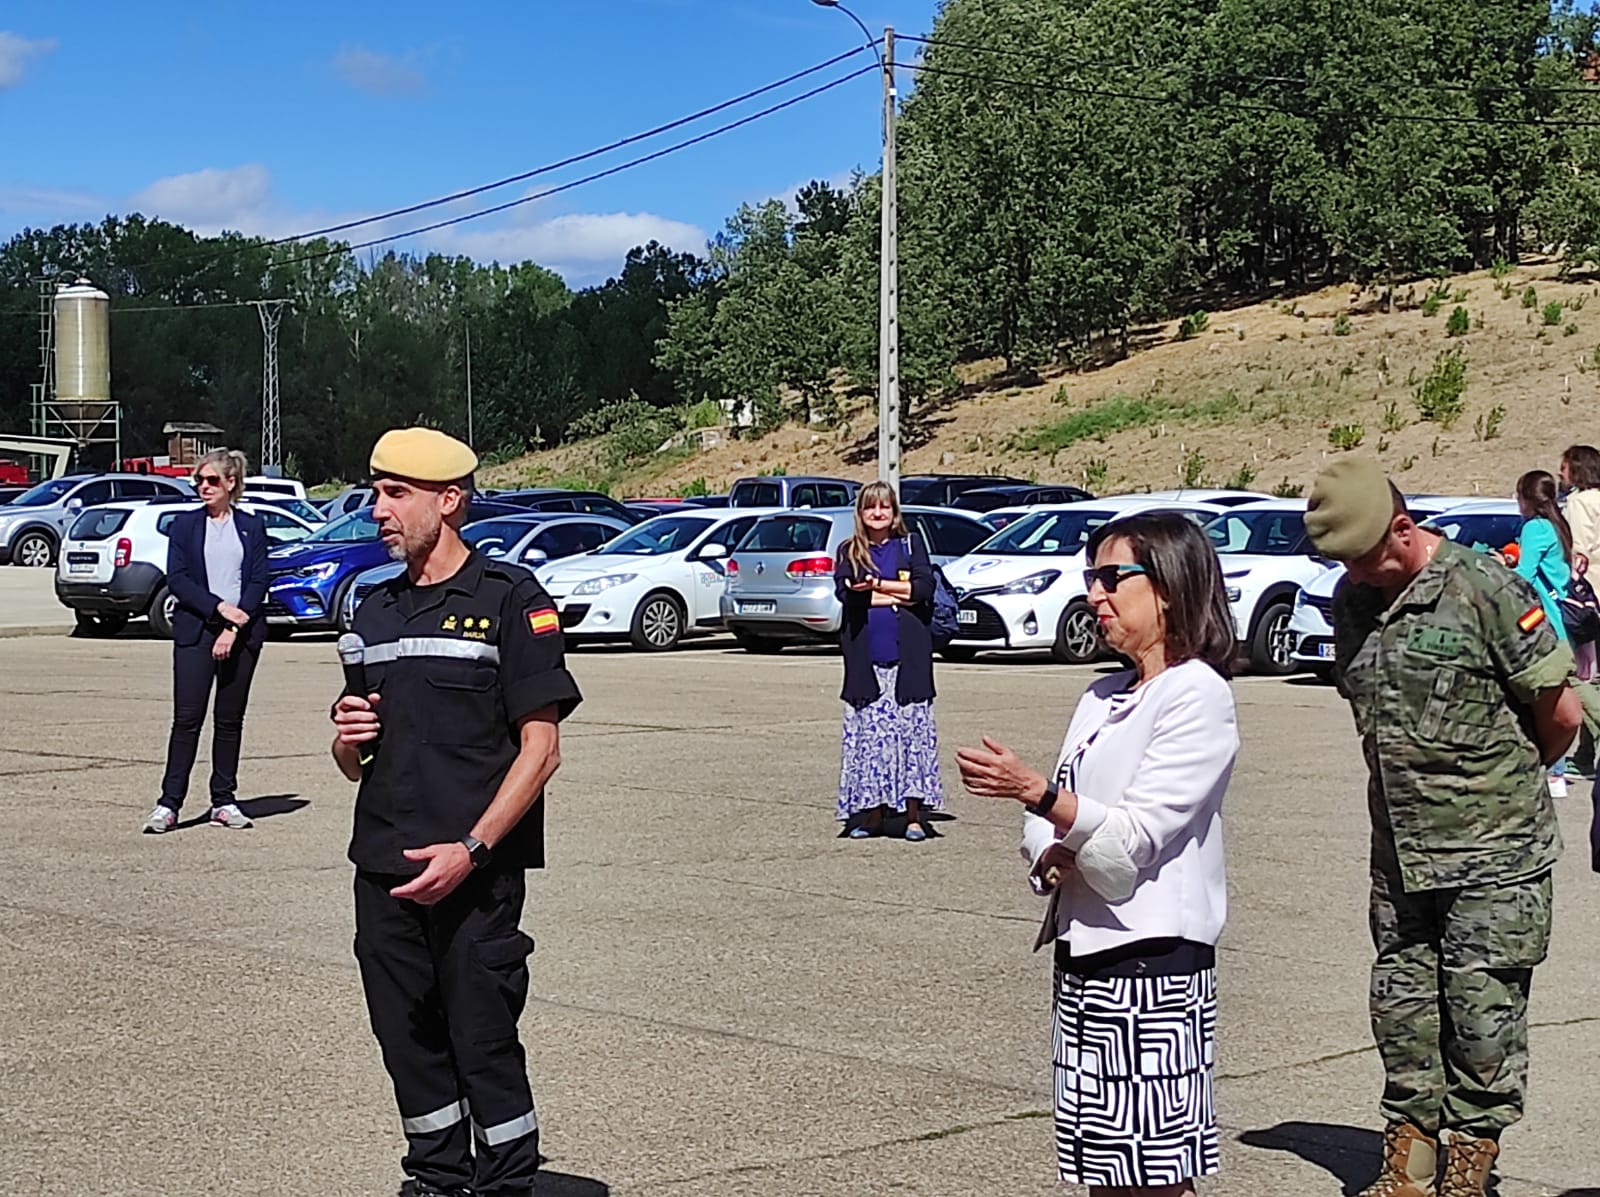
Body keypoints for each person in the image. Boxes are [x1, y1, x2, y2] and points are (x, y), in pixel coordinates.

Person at [1305, 457, 1582, 1197]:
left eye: (1363, 558)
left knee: (1484, 1021)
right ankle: (1409, 1164)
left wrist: (1501, 790)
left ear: (1403, 528)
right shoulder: (1354, 603)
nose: (1355, 575)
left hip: (1496, 857)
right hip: (1401, 855)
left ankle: (1468, 1166)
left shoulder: (1485, 587)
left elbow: (1558, 714)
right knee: (1402, 1010)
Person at [330, 428, 582, 1197]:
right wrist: (346, 740)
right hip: (385, 867)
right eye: (376, 491)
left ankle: (507, 1181)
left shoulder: (509, 600)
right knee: (407, 1040)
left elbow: (541, 750)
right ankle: (436, 1176)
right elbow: (355, 760)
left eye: (395, 492)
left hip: (474, 873)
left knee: (482, 1041)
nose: (378, 509)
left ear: (449, 500)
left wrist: (472, 849)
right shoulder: (371, 607)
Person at [956, 512, 1238, 1196]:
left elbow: (1135, 839)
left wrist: (1039, 795)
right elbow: (1062, 820)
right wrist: (1051, 840)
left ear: (1168, 586)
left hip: (1152, 965)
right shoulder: (1101, 695)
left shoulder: (1196, 694)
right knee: (1104, 1170)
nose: (1095, 593)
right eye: (1092, 578)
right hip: (1083, 953)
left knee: (1155, 1175)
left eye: (1114, 577)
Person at [143, 448, 269, 834]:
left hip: (242, 634)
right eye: (199, 480)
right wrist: (219, 611)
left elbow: (259, 580)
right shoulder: (184, 526)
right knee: (187, 720)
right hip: (197, 631)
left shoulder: (252, 526)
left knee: (229, 721)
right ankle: (169, 804)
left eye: (212, 480)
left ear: (231, 483)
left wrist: (234, 627)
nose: (203, 487)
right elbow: (178, 580)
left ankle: (224, 800)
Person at [833, 481, 942, 841]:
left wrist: (878, 586)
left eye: (885, 507)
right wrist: (897, 593)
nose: (878, 513)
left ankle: (913, 817)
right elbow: (848, 597)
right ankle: (874, 815)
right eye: (870, 508)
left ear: (894, 512)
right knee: (872, 741)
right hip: (867, 662)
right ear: (861, 514)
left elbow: (924, 591)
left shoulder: (911, 545)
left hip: (908, 662)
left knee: (911, 738)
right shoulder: (848, 550)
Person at [1509, 469, 1575, 797]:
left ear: (1527, 498)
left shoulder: (1535, 528)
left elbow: (1524, 575)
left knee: (1545, 694)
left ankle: (1554, 773)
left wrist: (1499, 567)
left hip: (1542, 620)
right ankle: (1555, 772)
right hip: (1560, 617)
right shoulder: (1557, 525)